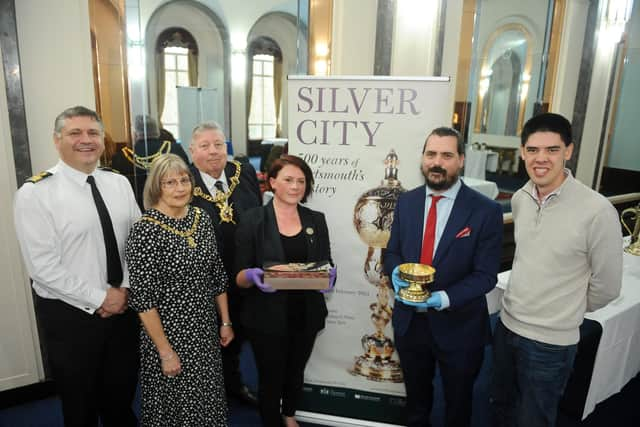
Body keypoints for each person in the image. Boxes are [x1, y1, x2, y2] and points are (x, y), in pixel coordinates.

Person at [490, 113, 623, 427]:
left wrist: (565, 308)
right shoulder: (521, 198)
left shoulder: (597, 210)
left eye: (552, 150)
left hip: (550, 344)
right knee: (499, 408)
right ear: (522, 152)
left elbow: (607, 286)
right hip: (506, 327)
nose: (541, 159)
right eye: (533, 150)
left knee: (533, 419)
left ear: (568, 151)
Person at [14, 106, 140, 427]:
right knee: (80, 407)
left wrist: (123, 290)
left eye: (93, 133)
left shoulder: (119, 184)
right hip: (70, 318)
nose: (86, 140)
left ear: (102, 140)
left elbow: (137, 244)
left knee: (120, 399)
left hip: (123, 310)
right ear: (57, 141)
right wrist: (101, 298)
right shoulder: (35, 193)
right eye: (75, 133)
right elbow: (43, 268)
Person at [384, 127, 503, 427]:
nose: (437, 162)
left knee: (458, 406)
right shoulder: (406, 202)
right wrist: (395, 271)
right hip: (410, 324)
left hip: (460, 327)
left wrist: (444, 298)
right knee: (416, 403)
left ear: (461, 160)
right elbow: (392, 252)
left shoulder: (486, 210)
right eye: (431, 154)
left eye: (447, 155)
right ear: (423, 159)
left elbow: (486, 275)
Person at [125, 153, 233, 426]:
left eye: (184, 180)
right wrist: (165, 351)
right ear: (156, 188)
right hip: (168, 334)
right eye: (169, 182)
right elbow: (143, 299)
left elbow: (217, 275)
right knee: (175, 407)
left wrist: (225, 322)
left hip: (204, 331)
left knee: (207, 401)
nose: (180, 187)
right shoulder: (145, 231)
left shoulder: (200, 218)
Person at [235, 155, 337, 427]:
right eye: (288, 180)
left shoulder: (316, 219)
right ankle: (271, 420)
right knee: (271, 376)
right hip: (265, 318)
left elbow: (327, 264)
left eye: (301, 181)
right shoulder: (252, 219)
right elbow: (238, 275)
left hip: (306, 313)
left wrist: (329, 276)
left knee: (295, 371)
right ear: (272, 182)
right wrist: (252, 276)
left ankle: (289, 414)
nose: (295, 186)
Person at [189, 121, 262, 405]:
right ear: (192, 151)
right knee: (208, 339)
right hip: (203, 281)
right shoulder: (183, 181)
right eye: (205, 146)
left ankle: (234, 384)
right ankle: (206, 393)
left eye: (219, 144)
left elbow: (257, 215)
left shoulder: (242, 174)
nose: (213, 152)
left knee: (239, 332)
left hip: (244, 273)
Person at [111, 114, 189, 209]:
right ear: (157, 131)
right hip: (173, 206)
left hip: (136, 208)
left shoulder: (122, 156)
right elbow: (188, 177)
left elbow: (118, 190)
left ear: (135, 133)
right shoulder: (174, 149)